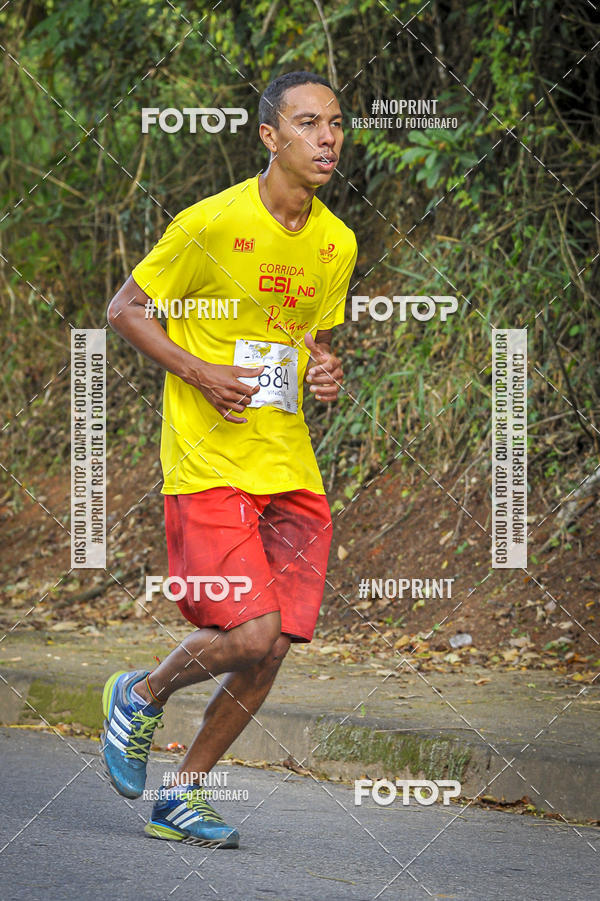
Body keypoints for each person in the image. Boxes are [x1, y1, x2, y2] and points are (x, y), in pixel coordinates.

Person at [102, 70, 357, 848]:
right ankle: (139, 693)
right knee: (249, 632)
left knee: (274, 645)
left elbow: (314, 346)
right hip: (209, 459)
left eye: (336, 122)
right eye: (308, 123)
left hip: (289, 465)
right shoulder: (210, 223)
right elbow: (125, 309)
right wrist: (199, 371)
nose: (327, 137)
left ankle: (181, 794)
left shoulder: (337, 241)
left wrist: (326, 373)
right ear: (269, 137)